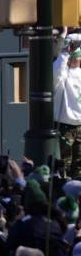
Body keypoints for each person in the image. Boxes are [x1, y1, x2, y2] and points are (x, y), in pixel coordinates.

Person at [55, 46, 81, 178]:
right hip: (66, 126)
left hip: (80, 125)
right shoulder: (63, 76)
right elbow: (57, 70)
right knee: (65, 162)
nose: (78, 60)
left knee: (79, 163)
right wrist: (65, 53)